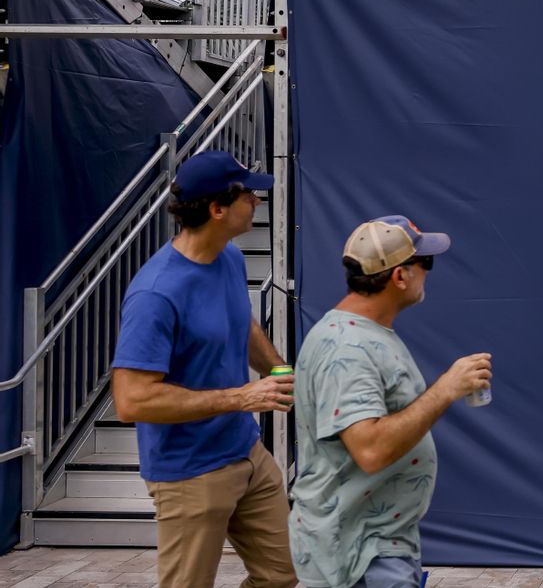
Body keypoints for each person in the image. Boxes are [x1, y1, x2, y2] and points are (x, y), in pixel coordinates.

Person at [110, 149, 297, 588]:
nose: (258, 200)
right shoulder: (156, 294)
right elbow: (131, 400)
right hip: (191, 472)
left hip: (247, 453)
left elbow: (242, 323)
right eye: (249, 194)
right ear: (217, 209)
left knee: (280, 577)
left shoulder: (228, 258)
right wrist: (242, 397)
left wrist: (279, 373)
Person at [289, 215, 492, 588]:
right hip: (361, 553)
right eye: (424, 263)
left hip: (372, 544)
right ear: (400, 276)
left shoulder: (362, 333)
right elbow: (370, 450)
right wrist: (445, 389)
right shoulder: (349, 350)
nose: (429, 272)